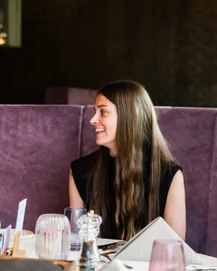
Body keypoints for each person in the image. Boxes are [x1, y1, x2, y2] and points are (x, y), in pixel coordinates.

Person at [69, 81, 186, 240]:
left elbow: (174, 248)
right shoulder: (80, 171)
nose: (93, 120)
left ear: (129, 117)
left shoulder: (169, 174)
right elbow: (76, 239)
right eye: (94, 111)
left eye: (103, 112)